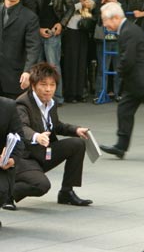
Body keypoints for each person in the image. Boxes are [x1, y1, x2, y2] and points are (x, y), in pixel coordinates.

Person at [13, 62, 92, 208]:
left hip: (43, 151)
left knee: (77, 144)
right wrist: (37, 136)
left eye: (52, 85)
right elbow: (22, 128)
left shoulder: (51, 103)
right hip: (26, 157)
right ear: (33, 85)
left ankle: (66, 192)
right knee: (42, 186)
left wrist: (75, 130)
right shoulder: (22, 104)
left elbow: (56, 125)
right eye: (43, 84)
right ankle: (5, 193)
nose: (48, 89)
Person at [99, 2, 144, 159]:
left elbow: (128, 59)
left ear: (114, 18)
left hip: (141, 81)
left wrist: (118, 73)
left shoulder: (129, 31)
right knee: (124, 111)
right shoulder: (128, 29)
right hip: (136, 81)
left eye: (105, 20)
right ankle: (121, 146)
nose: (104, 24)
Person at [32, 0, 75, 105]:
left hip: (53, 32)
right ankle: (38, 97)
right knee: (37, 66)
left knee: (53, 65)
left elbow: (71, 8)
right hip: (37, 32)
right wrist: (37, 28)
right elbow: (30, 12)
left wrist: (61, 24)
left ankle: (57, 98)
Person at [0, 0, 41, 99]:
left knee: (14, 114)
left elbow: (33, 47)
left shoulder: (29, 17)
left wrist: (27, 71)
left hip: (15, 75)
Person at [0, 96, 25, 217]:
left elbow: (19, 137)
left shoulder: (7, 106)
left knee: (1, 190)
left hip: (1, 163)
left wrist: (12, 159)